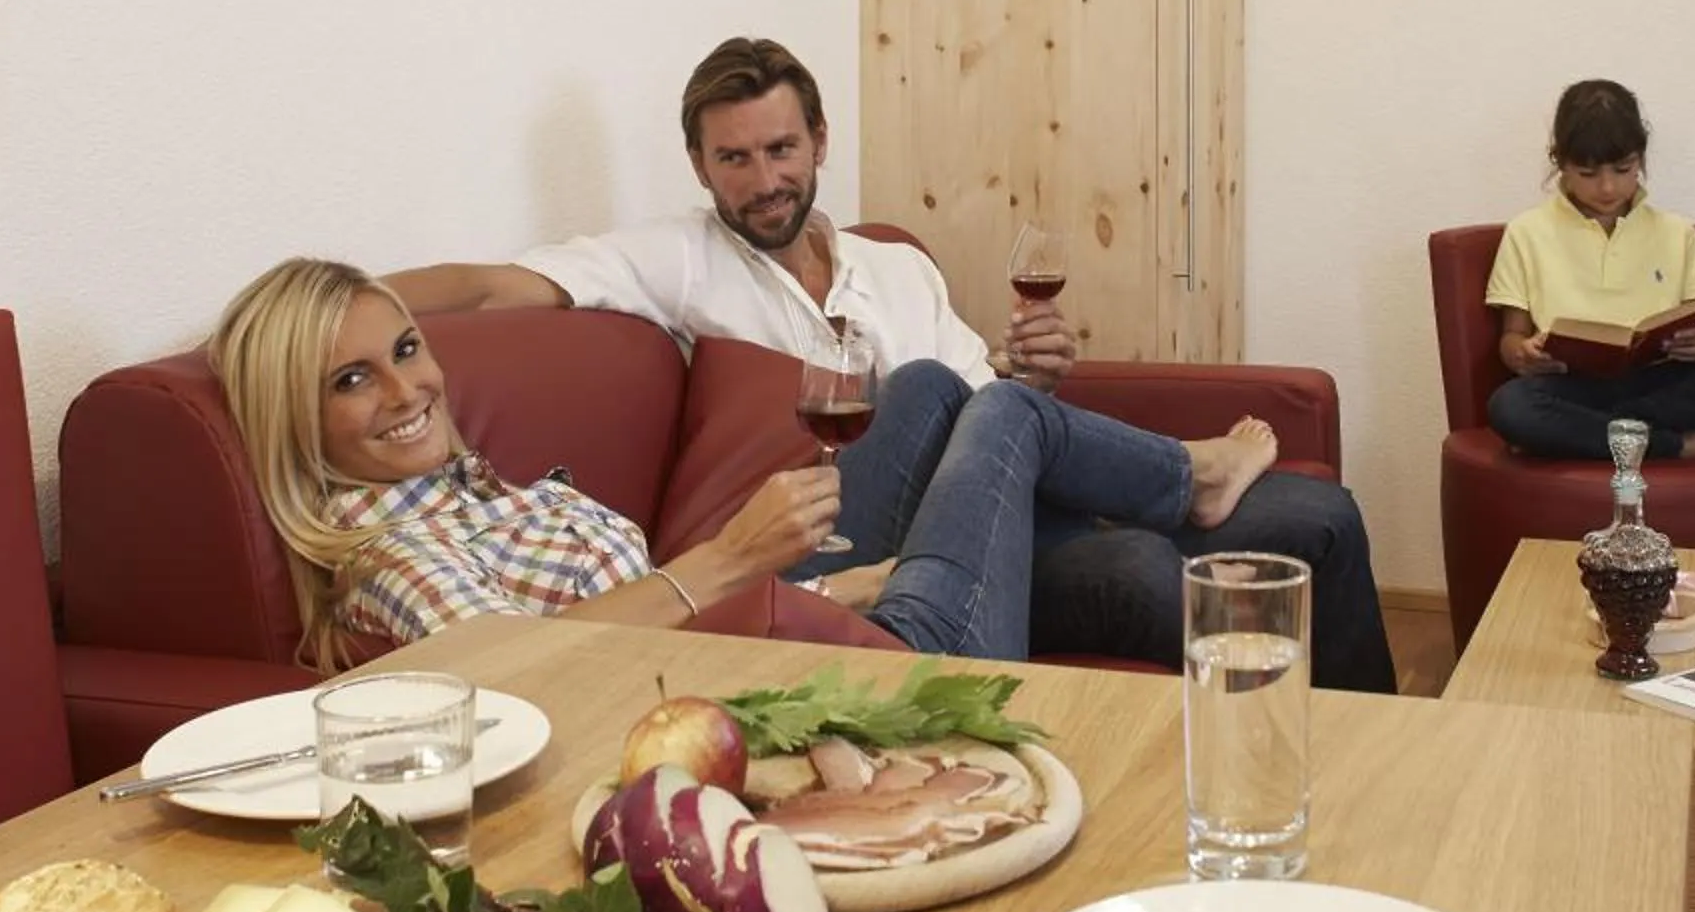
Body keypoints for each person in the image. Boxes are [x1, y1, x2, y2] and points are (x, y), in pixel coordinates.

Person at [384, 36, 1398, 693]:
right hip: (847, 548)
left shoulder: (896, 264)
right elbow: (483, 288)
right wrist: (321, 305)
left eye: (781, 148)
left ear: (819, 139)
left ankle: (1379, 756)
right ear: (700, 166)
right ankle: (1186, 470)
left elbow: (988, 408)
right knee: (995, 448)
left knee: (1319, 517)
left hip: (988, 518)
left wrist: (1035, 379)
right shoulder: (673, 256)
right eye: (733, 159)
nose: (763, 179)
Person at [211, 255, 1274, 670]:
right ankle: (1189, 475)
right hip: (883, 674)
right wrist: (725, 557)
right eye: (349, 380)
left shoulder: (473, 489)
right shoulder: (392, 550)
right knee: (1007, 413)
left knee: (929, 387)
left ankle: (1150, 487)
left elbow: (653, 610)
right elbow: (500, 670)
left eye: (404, 350)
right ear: (289, 417)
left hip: (792, 632)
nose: (406, 391)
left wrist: (826, 577)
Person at [1487, 79, 1695, 462]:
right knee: (1511, 406)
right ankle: (1686, 444)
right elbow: (1511, 339)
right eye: (1587, 173)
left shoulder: (1677, 232)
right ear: (1560, 163)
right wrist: (1524, 354)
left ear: (1641, 158)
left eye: (1624, 169)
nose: (1607, 188)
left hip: (1663, 382)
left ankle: (1581, 434)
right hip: (1572, 385)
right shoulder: (1526, 232)